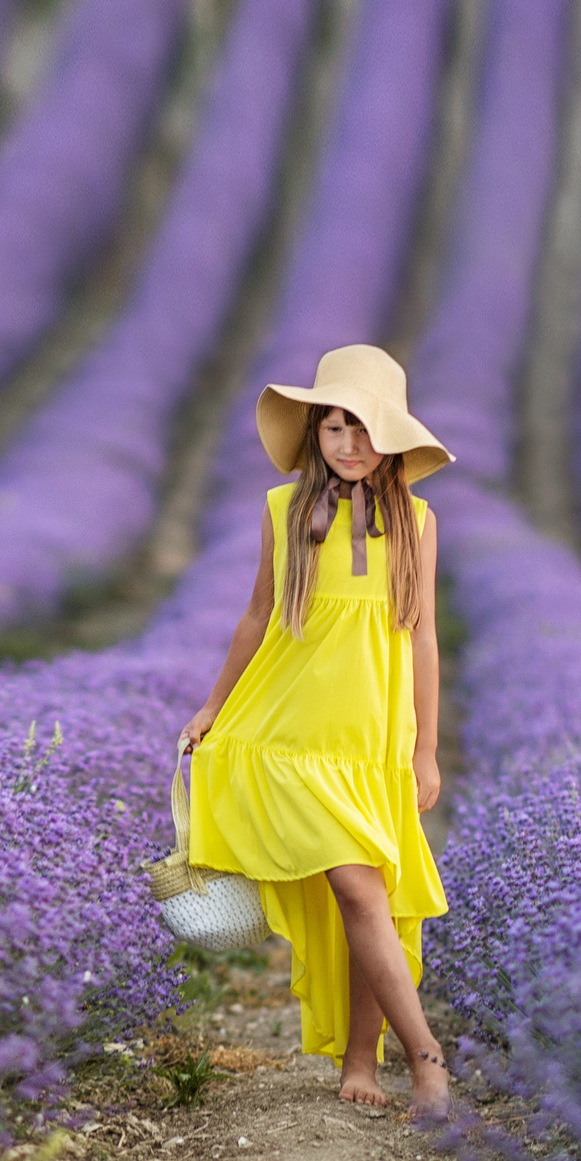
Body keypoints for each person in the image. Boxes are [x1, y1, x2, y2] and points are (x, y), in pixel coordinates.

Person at [178, 344, 453, 1116]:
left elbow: (424, 636)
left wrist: (425, 747)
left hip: (373, 742)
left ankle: (361, 1059)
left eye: (365, 430)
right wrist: (214, 705)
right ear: (316, 432)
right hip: (294, 736)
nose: (350, 444)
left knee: (374, 903)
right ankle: (428, 1061)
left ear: (391, 439)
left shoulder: (418, 523)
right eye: (335, 427)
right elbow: (259, 617)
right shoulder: (284, 510)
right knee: (359, 890)